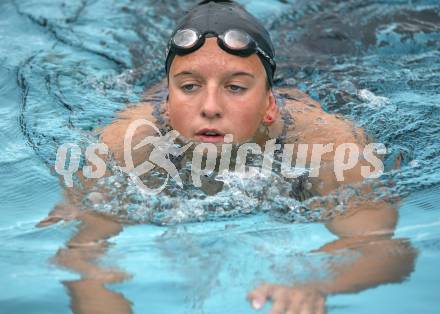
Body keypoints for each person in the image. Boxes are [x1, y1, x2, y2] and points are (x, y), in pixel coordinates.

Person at [39, 1, 416, 313]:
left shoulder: (328, 143)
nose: (210, 107)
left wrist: (318, 277)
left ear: (270, 104)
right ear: (167, 103)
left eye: (235, 87)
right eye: (189, 87)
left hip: (326, 63)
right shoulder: (126, 143)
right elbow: (81, 255)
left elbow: (385, 248)